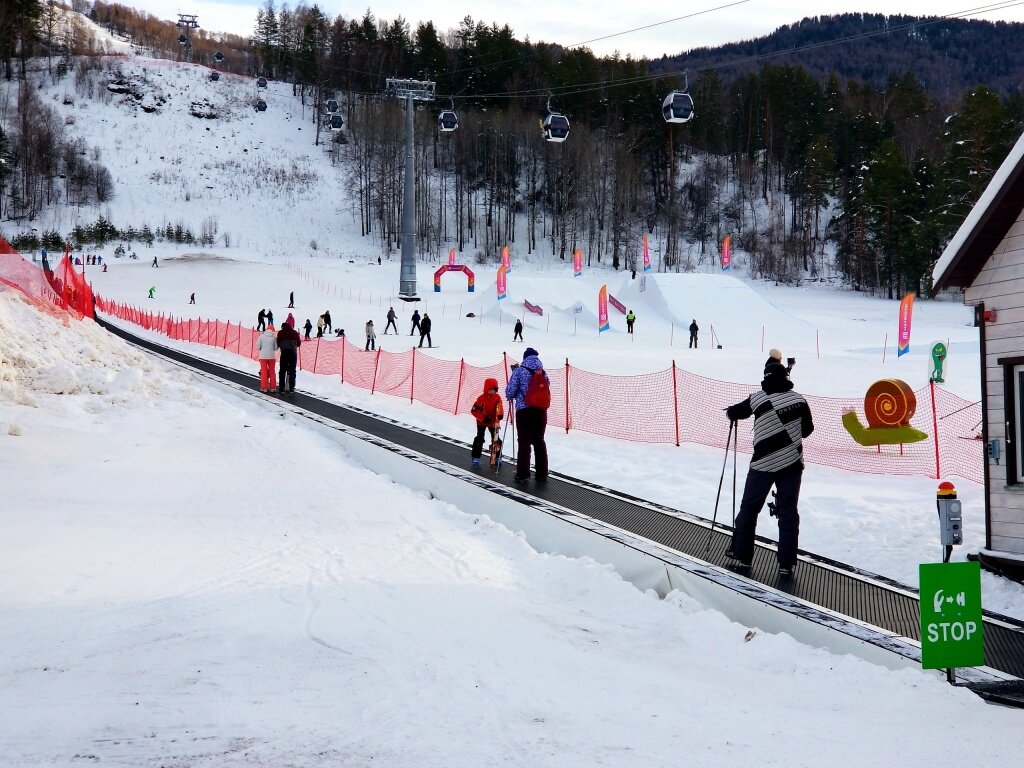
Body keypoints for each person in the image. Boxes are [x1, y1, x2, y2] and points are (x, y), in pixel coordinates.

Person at [724, 360, 815, 577]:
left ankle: (743, 556)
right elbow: (807, 430)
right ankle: (786, 564)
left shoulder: (758, 398)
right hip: (792, 464)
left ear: (765, 378)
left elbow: (738, 411)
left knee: (749, 509)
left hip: (762, 464)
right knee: (788, 512)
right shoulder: (799, 399)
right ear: (786, 377)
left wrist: (730, 413)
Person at [505, 347, 550, 484]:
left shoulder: (519, 371)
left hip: (524, 411)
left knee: (524, 443)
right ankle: (542, 474)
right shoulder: (543, 372)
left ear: (525, 358)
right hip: (541, 411)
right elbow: (547, 386)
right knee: (539, 441)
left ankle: (523, 474)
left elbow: (510, 392)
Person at [470, 378, 504, 467]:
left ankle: (497, 456)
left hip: (493, 422)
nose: (492, 391)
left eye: (494, 390)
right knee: (480, 438)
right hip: (482, 422)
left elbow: (499, 407)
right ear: (486, 388)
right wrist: (483, 418)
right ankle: (475, 457)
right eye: (490, 389)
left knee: (496, 439)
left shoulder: (497, 397)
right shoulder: (481, 398)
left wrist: (500, 415)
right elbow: (474, 411)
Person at [276, 321, 302, 393]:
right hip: (293, 353)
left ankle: (281, 388)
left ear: (282, 327)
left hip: (284, 353)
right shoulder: (295, 332)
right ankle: (291, 388)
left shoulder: (280, 333)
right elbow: (299, 343)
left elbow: (278, 342)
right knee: (292, 370)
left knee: (282, 370)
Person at [256, 324, 278, 393]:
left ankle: (264, 388)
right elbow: (276, 348)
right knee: (272, 371)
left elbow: (258, 346)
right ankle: (273, 388)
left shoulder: (261, 336)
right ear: (272, 330)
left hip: (263, 357)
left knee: (264, 371)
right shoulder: (274, 338)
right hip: (272, 356)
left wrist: (262, 348)